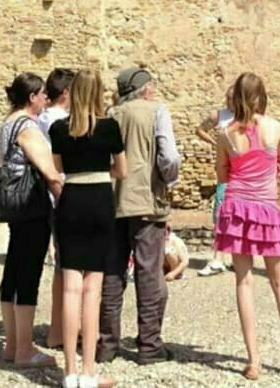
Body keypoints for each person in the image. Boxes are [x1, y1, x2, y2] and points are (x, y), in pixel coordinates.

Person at [214, 72, 280, 380]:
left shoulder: (225, 133)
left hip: (238, 207)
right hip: (267, 208)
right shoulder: (275, 127)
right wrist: (266, 177)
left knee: (243, 282)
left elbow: (222, 175)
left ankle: (254, 361)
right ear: (261, 97)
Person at [98, 67, 180, 366]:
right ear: (146, 89)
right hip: (146, 200)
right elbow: (168, 156)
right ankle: (149, 345)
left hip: (112, 200)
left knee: (112, 271)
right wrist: (167, 181)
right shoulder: (157, 111)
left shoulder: (111, 113)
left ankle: (107, 344)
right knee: (148, 272)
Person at [49, 68, 125, 388]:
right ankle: (89, 371)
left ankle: (68, 372)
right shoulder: (109, 127)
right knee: (92, 292)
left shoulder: (58, 128)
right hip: (98, 199)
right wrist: (100, 165)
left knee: (70, 288)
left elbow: (57, 169)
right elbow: (121, 170)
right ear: (98, 93)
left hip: (72, 199)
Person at [0, 72, 64, 369]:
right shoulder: (27, 127)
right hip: (31, 206)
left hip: (15, 207)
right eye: (42, 95)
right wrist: (64, 198)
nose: (45, 100)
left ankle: (12, 344)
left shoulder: (8, 122)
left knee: (13, 267)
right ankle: (24, 347)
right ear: (32, 97)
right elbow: (49, 171)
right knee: (28, 273)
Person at [37, 67, 75, 349]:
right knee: (67, 267)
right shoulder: (61, 121)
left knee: (60, 266)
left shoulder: (39, 118)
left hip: (46, 196)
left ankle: (57, 328)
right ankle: (60, 330)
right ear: (66, 93)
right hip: (61, 193)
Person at [195, 85, 235, 277]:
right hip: (225, 171)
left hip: (241, 172)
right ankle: (218, 257)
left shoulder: (248, 117)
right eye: (227, 98)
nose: (229, 102)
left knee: (238, 212)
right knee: (221, 211)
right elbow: (200, 130)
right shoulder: (219, 116)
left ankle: (235, 257)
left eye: (232, 98)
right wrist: (214, 144)